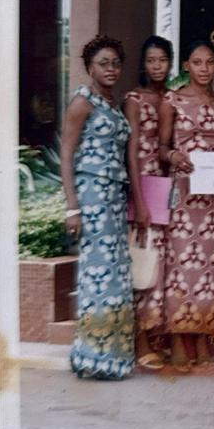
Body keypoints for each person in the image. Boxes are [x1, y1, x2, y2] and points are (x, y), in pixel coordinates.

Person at [60, 36, 135, 379]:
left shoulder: (112, 103)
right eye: (103, 63)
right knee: (97, 275)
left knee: (114, 275)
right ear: (90, 66)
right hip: (91, 195)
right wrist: (72, 208)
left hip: (114, 197)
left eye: (116, 64)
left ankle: (112, 357)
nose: (111, 69)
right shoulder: (83, 102)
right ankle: (93, 357)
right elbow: (66, 155)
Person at [159, 41, 214, 371]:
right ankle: (177, 340)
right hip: (184, 196)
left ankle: (202, 338)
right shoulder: (172, 100)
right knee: (180, 268)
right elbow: (161, 148)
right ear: (187, 65)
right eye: (197, 62)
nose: (204, 68)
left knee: (208, 270)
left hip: (213, 199)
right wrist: (174, 155)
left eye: (209, 62)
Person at [124, 35, 173, 370]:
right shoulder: (134, 99)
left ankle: (154, 337)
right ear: (143, 64)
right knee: (142, 263)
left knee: (158, 267)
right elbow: (131, 152)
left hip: (165, 188)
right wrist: (139, 201)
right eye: (151, 60)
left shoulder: (171, 98)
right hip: (143, 186)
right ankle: (139, 342)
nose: (157, 66)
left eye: (162, 60)